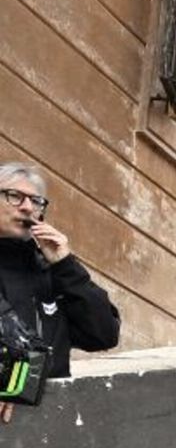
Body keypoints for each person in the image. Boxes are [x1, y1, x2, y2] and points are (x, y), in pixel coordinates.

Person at [0, 162, 120, 425]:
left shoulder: (52, 272)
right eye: (14, 196)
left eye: (36, 201)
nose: (28, 208)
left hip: (50, 424)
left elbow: (103, 334)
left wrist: (65, 264)